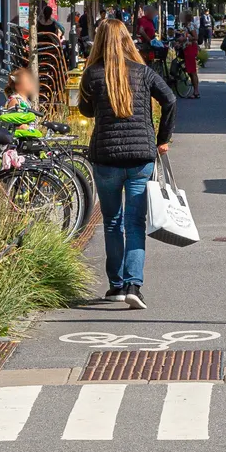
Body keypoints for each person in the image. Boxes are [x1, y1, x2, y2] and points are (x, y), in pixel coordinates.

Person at [79, 19, 176, 310]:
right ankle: (135, 285)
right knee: (135, 223)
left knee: (112, 222)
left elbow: (85, 109)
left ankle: (117, 285)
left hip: (106, 157)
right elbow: (170, 100)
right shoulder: (143, 73)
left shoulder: (92, 75)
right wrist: (163, 138)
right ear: (127, 41)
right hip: (140, 158)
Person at [183, 28, 201, 99]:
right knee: (191, 71)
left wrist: (185, 39)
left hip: (190, 49)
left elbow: (195, 37)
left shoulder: (190, 26)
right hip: (188, 49)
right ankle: (195, 91)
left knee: (192, 71)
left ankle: (196, 91)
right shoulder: (187, 26)